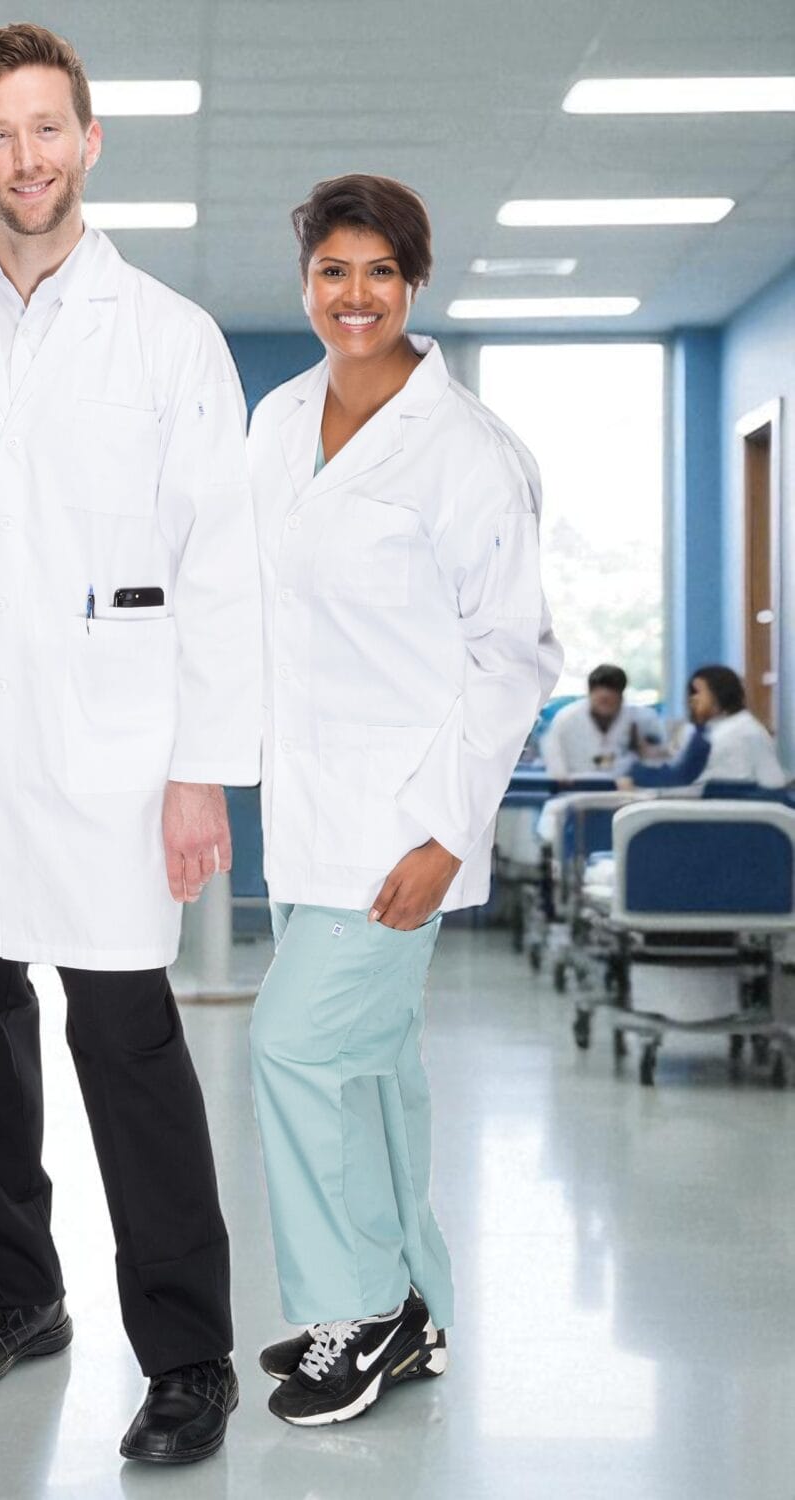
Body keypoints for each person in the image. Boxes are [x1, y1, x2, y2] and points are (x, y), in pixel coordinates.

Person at [0, 24, 260, 1466]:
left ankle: (190, 1356)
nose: (25, 158)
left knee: (128, 1044)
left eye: (47, 130)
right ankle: (15, 1294)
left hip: (111, 749)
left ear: (90, 141)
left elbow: (214, 569)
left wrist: (201, 765)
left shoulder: (170, 337)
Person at [246, 174, 562, 1428]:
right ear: (308, 282)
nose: (356, 295)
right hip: (305, 807)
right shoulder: (276, 422)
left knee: (297, 1049)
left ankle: (356, 1313)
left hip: (403, 827)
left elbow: (516, 656)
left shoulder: (469, 451)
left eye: (380, 272)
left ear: (414, 284)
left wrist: (445, 833)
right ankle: (414, 1306)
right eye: (334, 270)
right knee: (370, 1068)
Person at [623, 664, 785, 789]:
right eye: (691, 693)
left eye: (698, 692)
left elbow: (681, 777)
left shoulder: (740, 731)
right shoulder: (707, 729)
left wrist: (635, 775)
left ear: (721, 693)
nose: (692, 699)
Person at [540, 663, 662, 778]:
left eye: (610, 701)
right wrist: (560, 776)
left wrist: (642, 748)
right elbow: (553, 757)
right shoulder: (566, 719)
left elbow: (660, 757)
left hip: (624, 788)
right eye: (601, 700)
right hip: (576, 787)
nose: (605, 705)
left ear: (621, 697)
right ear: (590, 694)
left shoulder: (641, 719)